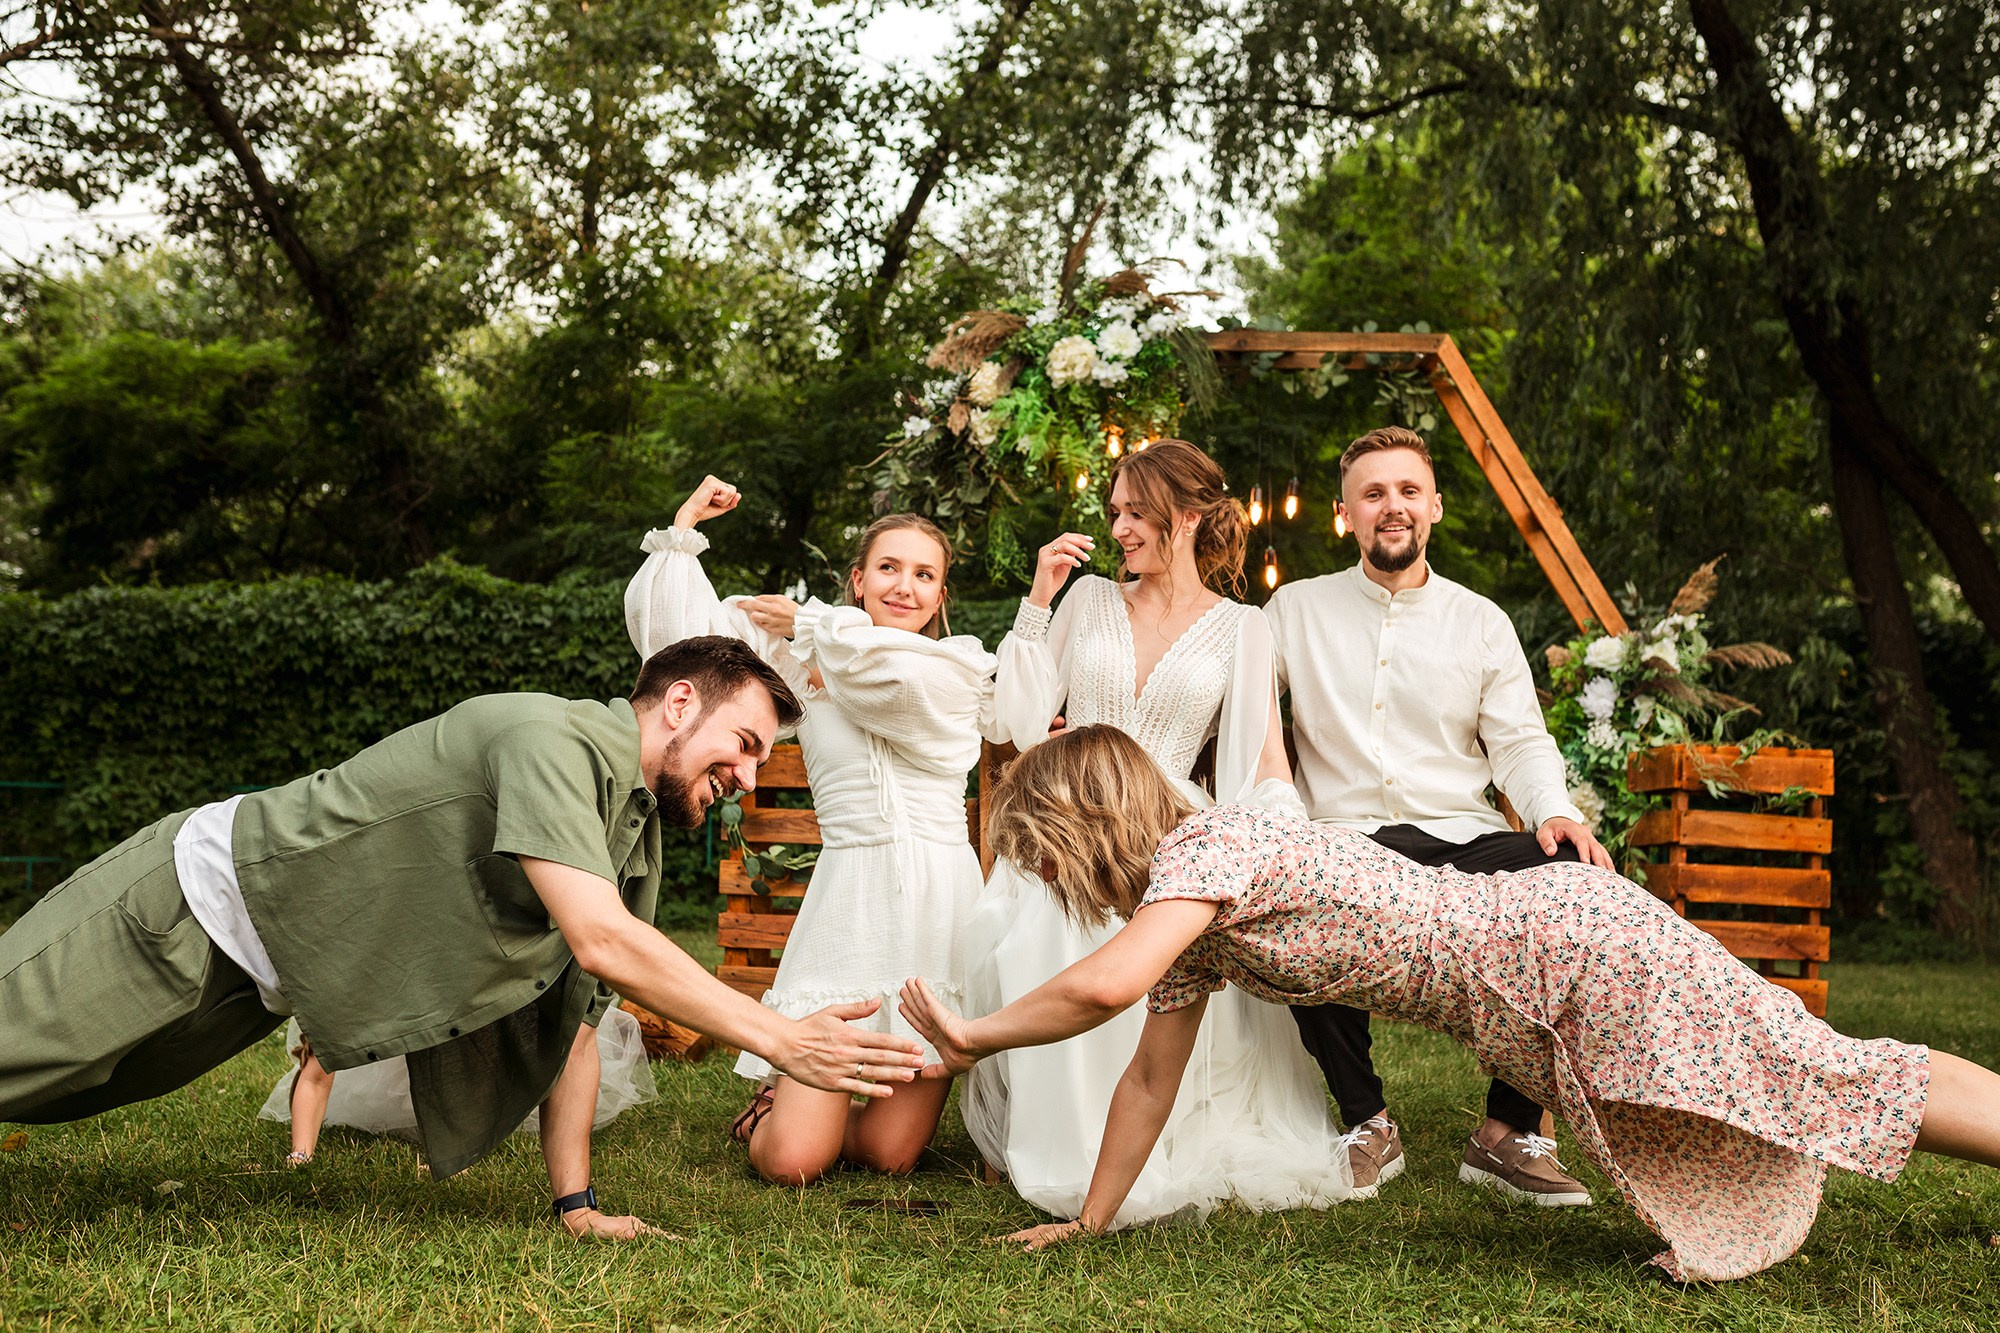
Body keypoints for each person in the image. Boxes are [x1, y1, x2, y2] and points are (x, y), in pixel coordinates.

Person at [900, 725, 2000, 1282]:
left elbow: (1100, 983)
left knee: (1821, 1072)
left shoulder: (1211, 843)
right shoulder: (1194, 919)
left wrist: (970, 1035)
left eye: (1044, 853)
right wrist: (1088, 1222)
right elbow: (1146, 1076)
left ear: (1082, 823)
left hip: (1568, 947)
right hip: (1525, 988)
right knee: (1764, 1084)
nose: (1048, 877)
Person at [0, 637, 928, 1233]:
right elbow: (603, 940)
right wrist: (780, 1036)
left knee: (57, 1091)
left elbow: (575, 1016)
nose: (750, 778)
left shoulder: (633, 835)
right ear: (680, 703)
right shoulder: (551, 738)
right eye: (749, 743)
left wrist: (576, 1204)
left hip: (264, 978)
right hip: (189, 899)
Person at [962, 438, 1352, 1227]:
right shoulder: (1087, 600)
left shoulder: (1243, 627)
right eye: (1115, 512)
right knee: (1050, 925)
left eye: (1136, 511)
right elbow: (1016, 720)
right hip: (1069, 816)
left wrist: (1283, 845)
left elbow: (1261, 763)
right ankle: (1066, 1147)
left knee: (1148, 938)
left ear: (1190, 515)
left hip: (1170, 828)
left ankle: (1139, 1143)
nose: (1121, 529)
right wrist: (1038, 601)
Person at [1267, 424, 1611, 1206]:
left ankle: (1508, 1130)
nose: (1393, 506)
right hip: (1341, 839)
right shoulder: (1293, 609)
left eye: (1408, 490)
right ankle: (1367, 1122)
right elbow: (1237, 707)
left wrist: (1555, 812)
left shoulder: (1481, 621)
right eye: (1374, 492)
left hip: (1464, 836)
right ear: (1345, 513)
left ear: (1436, 506)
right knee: (1288, 881)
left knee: (1569, 876)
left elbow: (1520, 739)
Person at [626, 476, 995, 1185]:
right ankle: (775, 1106)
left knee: (888, 1156)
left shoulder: (957, 667)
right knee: (794, 1163)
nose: (905, 586)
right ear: (858, 579)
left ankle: (830, 1105)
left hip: (942, 905)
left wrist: (821, 628)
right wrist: (683, 530)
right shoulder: (806, 660)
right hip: (851, 900)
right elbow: (694, 650)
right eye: (888, 567)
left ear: (942, 596)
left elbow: (908, 691)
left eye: (925, 575)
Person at [259, 1009, 658, 1233]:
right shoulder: (343, 996)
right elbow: (315, 1073)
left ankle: (454, 1143)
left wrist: (454, 1154)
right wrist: (300, 1156)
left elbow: (463, 1074)